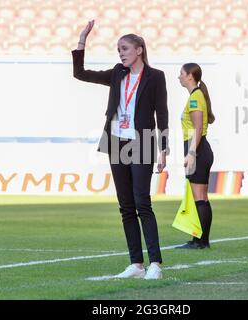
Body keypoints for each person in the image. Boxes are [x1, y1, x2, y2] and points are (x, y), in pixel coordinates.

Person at [72, 20, 169, 279]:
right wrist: (82, 40)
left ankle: (155, 264)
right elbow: (80, 74)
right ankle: (136, 264)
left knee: (142, 202)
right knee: (126, 206)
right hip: (117, 142)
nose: (121, 53)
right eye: (118, 50)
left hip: (143, 141)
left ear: (139, 49)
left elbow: (163, 114)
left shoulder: (156, 77)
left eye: (125, 48)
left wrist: (163, 149)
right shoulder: (117, 73)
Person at [176, 63, 215, 249]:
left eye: (181, 74)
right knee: (200, 197)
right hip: (199, 148)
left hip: (197, 149)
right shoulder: (197, 95)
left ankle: (201, 241)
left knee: (199, 197)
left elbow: (198, 128)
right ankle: (200, 239)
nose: (179, 77)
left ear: (190, 76)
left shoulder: (194, 98)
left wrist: (191, 153)